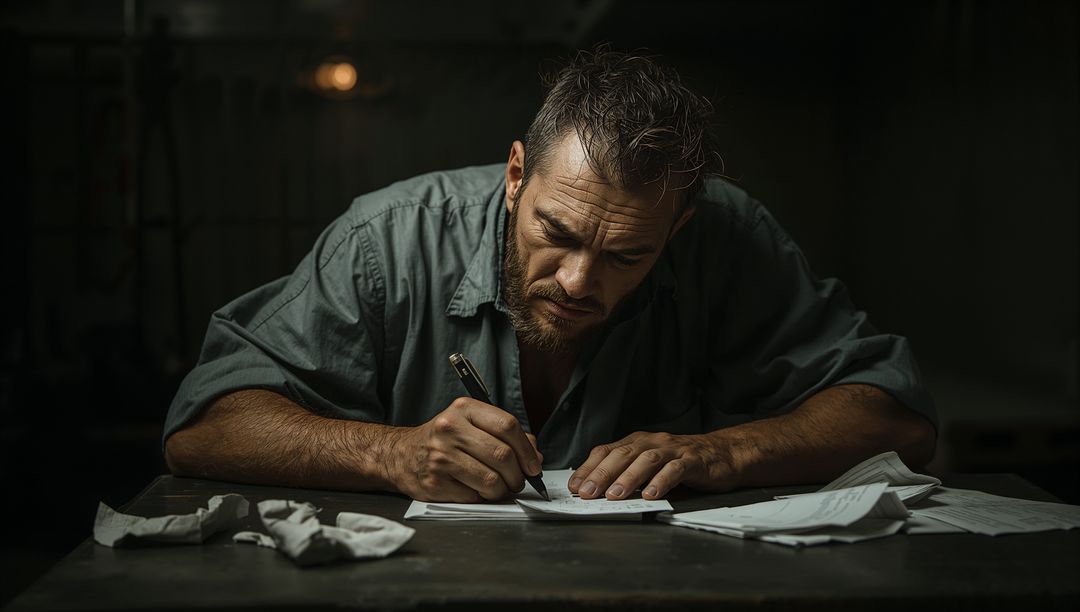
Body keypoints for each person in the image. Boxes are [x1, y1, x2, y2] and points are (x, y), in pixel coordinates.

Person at [164, 48, 936, 504]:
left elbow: (893, 417)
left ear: (679, 229)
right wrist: (389, 453)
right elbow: (205, 425)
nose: (575, 281)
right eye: (555, 232)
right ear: (514, 174)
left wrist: (725, 452)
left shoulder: (732, 240)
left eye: (627, 256)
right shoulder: (387, 238)